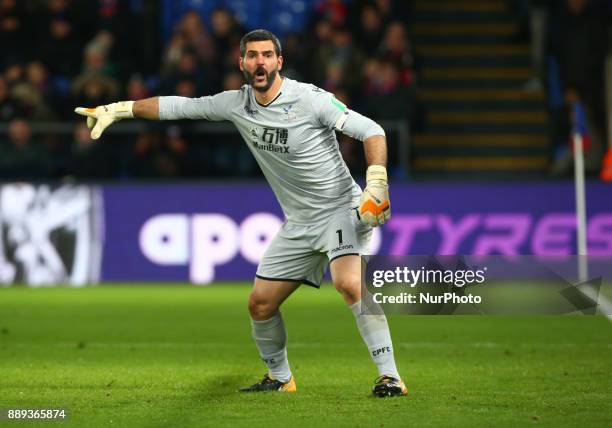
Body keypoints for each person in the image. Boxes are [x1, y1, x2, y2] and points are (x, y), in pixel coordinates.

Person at [75, 29, 406, 397]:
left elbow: (372, 131)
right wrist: (119, 109)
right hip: (299, 223)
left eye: (267, 55)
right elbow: (179, 106)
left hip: (340, 209)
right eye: (252, 55)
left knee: (348, 284)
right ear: (242, 63)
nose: (259, 61)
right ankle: (280, 379)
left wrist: (376, 183)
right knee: (260, 304)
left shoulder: (311, 100)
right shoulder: (236, 103)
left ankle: (390, 376)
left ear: (279, 62)